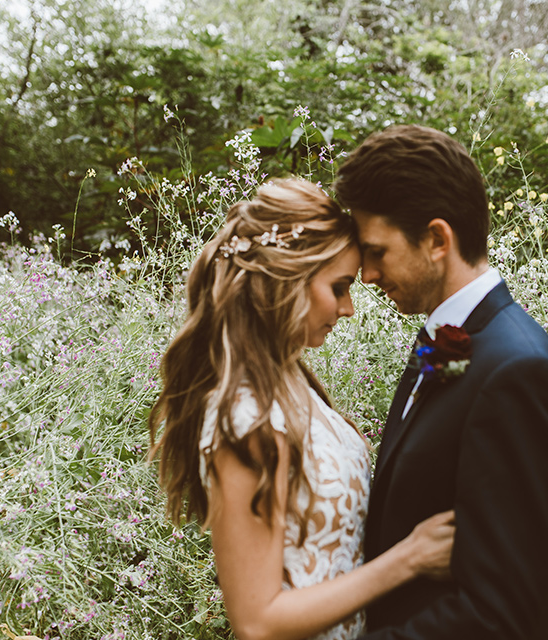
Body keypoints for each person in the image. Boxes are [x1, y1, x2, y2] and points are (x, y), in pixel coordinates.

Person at [148, 178, 455, 640]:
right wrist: (409, 559)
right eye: (339, 287)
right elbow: (257, 621)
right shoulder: (246, 419)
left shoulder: (292, 381)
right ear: (286, 282)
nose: (348, 308)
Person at [333, 125, 548, 639]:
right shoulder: (448, 337)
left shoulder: (519, 373)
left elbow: (501, 615)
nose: (367, 275)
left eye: (377, 251)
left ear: (437, 239)